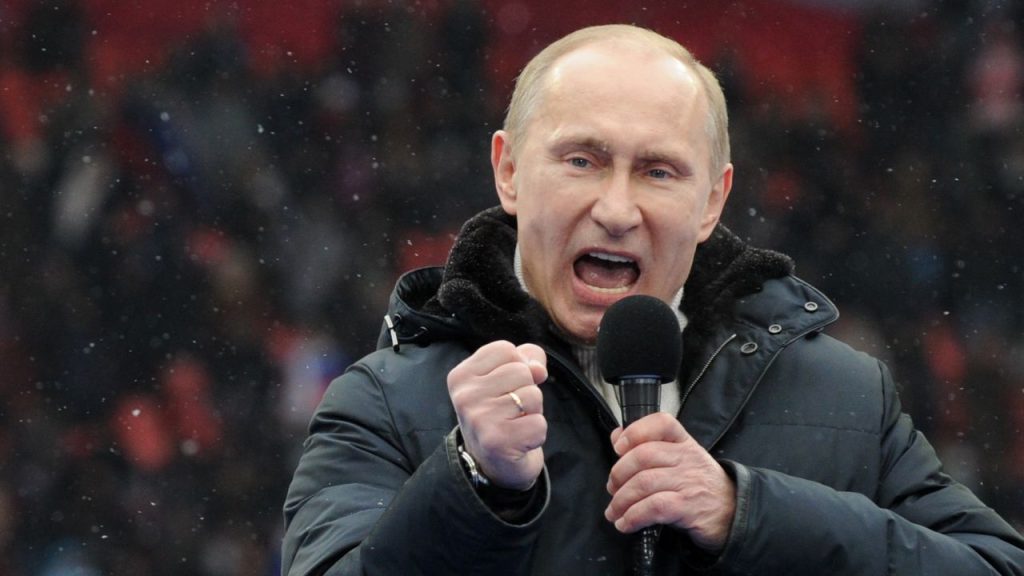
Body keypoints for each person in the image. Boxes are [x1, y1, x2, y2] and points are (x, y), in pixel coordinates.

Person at [281, 24, 1024, 575]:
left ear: (712, 200)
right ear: (508, 171)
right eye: (582, 159)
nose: (616, 207)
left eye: (659, 172)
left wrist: (750, 511)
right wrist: (471, 483)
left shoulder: (846, 395)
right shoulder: (384, 403)